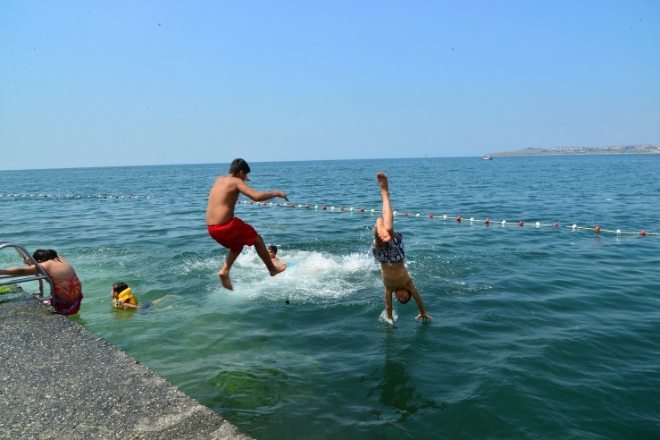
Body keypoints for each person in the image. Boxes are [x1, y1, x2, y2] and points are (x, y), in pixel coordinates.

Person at [206, 158, 288, 290]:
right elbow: (256, 197)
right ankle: (272, 269)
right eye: (245, 175)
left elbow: (226, 190)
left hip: (212, 229)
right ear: (241, 172)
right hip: (226, 226)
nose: (246, 178)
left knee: (237, 245)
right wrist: (276, 193)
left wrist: (241, 180)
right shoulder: (237, 182)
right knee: (257, 239)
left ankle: (224, 271)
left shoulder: (219, 180)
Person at [372, 173, 431, 324]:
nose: (401, 297)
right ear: (408, 293)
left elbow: (387, 305)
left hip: (383, 259)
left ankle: (379, 224)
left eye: (399, 299)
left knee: (379, 241)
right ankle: (385, 193)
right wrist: (423, 312)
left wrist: (390, 318)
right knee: (389, 230)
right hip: (397, 256)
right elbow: (419, 299)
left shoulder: (389, 289)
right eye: (405, 297)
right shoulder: (409, 284)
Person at [0, 249, 83, 315]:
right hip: (76, 296)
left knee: (43, 304)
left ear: (40, 261)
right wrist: (32, 261)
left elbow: (21, 271)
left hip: (64, 300)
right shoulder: (59, 258)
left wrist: (3, 271)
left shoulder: (45, 265)